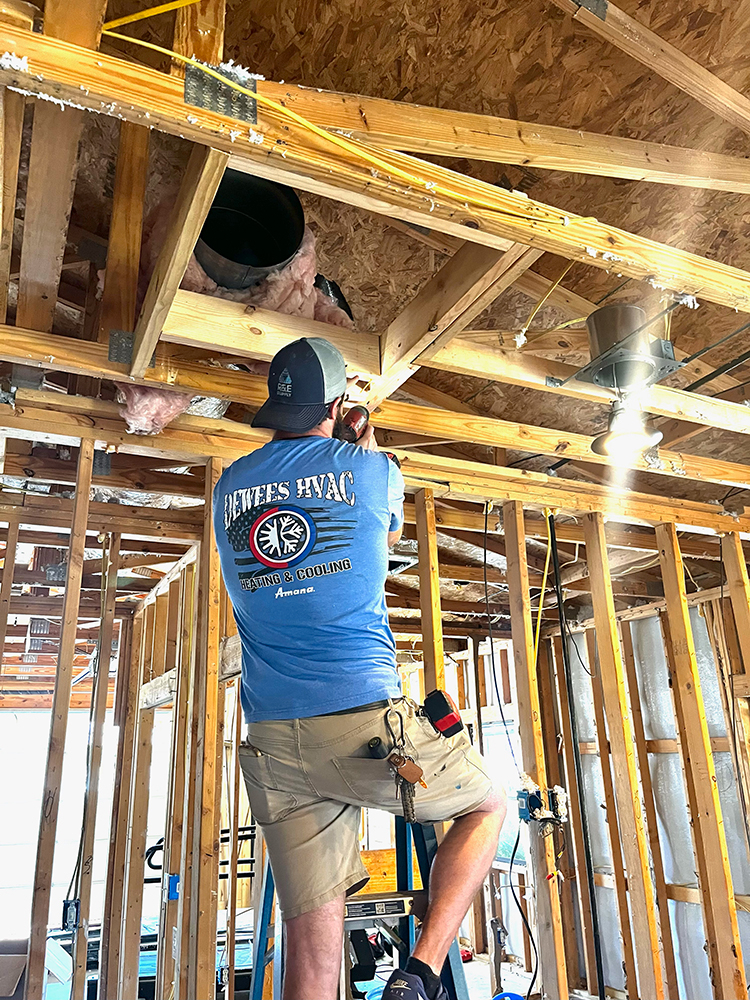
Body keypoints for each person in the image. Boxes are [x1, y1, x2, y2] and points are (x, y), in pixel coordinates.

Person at [213, 337, 506, 1000]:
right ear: (337, 405)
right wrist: (362, 451)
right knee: (489, 803)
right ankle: (420, 972)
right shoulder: (372, 472)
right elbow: (385, 537)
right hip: (361, 725)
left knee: (312, 958)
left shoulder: (228, 487)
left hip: (273, 741)